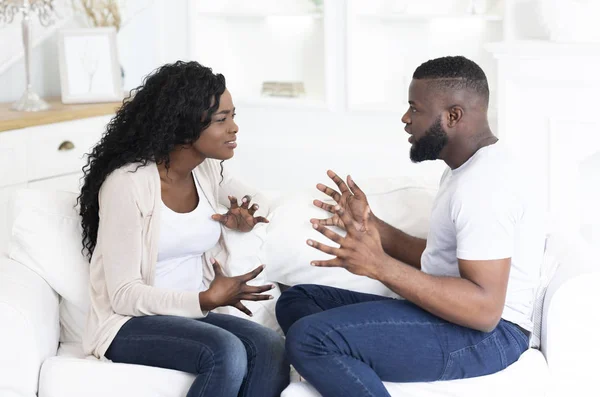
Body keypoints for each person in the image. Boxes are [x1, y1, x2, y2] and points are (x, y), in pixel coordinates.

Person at [276, 55, 545, 396]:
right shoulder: (466, 170)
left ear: (453, 116)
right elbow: (442, 261)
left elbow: (484, 310)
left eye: (415, 109)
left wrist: (379, 266)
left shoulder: (484, 186)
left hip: (489, 337)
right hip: (456, 319)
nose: (405, 119)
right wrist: (374, 226)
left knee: (310, 338)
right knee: (298, 300)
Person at [78, 61, 289, 397]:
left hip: (190, 318)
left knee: (270, 346)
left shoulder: (205, 173)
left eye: (233, 115)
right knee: (226, 351)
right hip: (127, 325)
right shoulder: (127, 185)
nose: (234, 128)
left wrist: (242, 218)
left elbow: (259, 200)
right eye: (222, 119)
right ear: (185, 125)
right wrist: (204, 299)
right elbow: (123, 295)